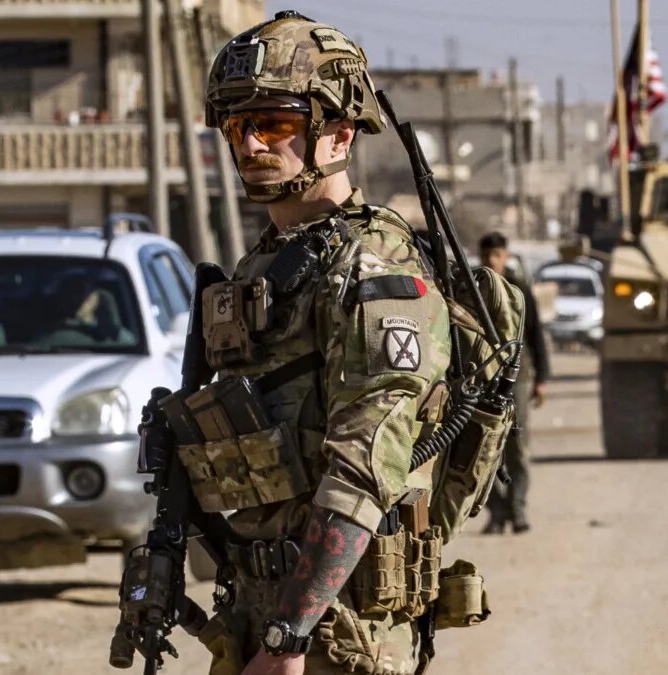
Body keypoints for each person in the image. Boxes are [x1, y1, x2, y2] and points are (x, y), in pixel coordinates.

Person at [191, 11, 451, 675]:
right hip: (262, 607)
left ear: (338, 132)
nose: (250, 144)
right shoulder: (262, 267)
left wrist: (290, 635)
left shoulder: (374, 270)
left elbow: (366, 462)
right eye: (235, 126)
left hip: (337, 627)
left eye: (273, 124)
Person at [477, 232, 550, 534]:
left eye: (497, 255)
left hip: (517, 376)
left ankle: (518, 510)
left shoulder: (519, 290)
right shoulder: (473, 287)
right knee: (485, 446)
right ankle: (496, 513)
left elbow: (535, 335)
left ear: (506, 256)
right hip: (483, 377)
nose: (492, 261)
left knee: (517, 444)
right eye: (487, 256)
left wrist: (542, 379)